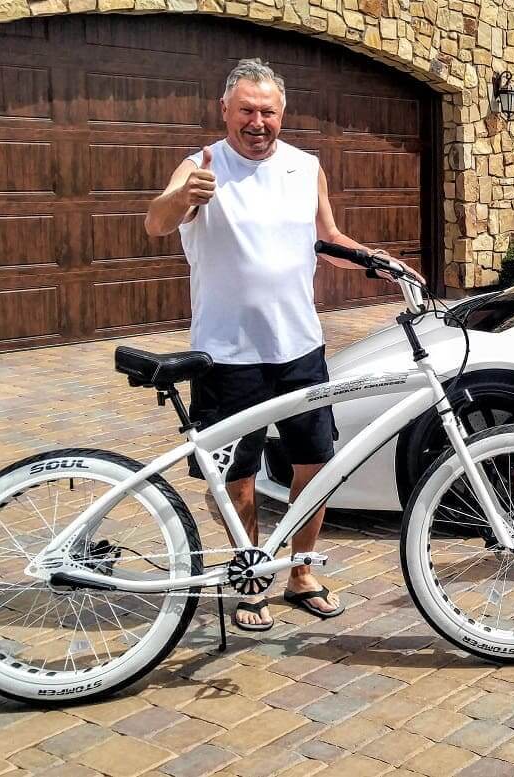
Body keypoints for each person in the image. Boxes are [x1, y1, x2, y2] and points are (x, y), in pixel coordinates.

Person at [145, 58, 415, 631]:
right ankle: (251, 574)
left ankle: (299, 572)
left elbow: (328, 235)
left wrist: (378, 260)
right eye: (246, 110)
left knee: (314, 467)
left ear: (282, 113)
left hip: (299, 347)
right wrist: (182, 197)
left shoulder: (305, 166)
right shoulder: (200, 166)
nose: (257, 121)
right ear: (225, 111)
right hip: (226, 355)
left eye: (267, 111)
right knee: (236, 476)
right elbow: (155, 223)